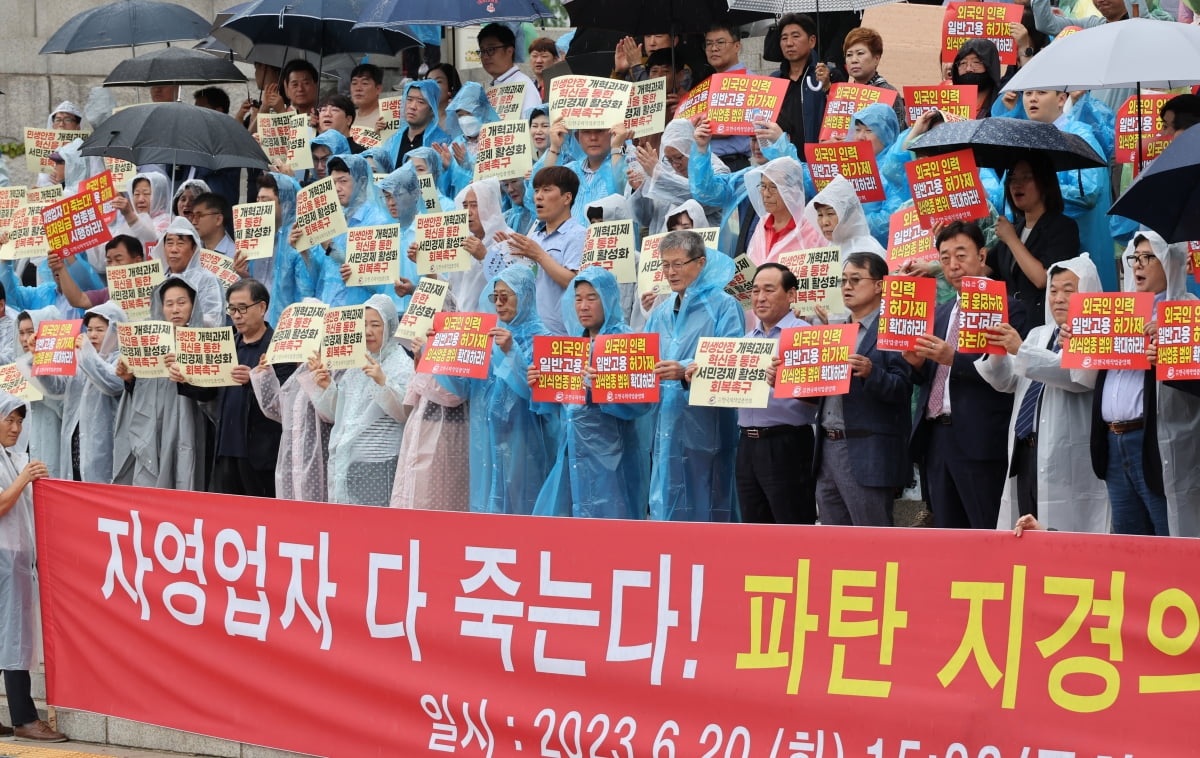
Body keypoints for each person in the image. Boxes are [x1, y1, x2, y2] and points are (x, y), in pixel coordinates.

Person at [906, 221, 1027, 529]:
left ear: (982, 257)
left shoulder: (1010, 309)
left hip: (979, 438)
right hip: (936, 437)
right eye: (945, 258)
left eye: (961, 255)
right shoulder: (941, 312)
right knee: (947, 534)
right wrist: (917, 364)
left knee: (986, 528)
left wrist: (954, 359)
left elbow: (1010, 379)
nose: (953, 266)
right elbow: (928, 377)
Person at [977, 254, 1108, 532]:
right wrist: (998, 351)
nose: (1058, 298)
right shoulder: (1037, 334)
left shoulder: (1095, 334)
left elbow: (1077, 377)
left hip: (1067, 453)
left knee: (1066, 532)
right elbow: (1005, 382)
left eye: (1068, 290)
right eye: (1053, 289)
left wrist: (1020, 349)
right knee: (1025, 523)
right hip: (1026, 449)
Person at [1085, 233, 1200, 536]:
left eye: (1148, 258)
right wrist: (1079, 342)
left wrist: (1171, 352)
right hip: (1113, 443)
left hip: (1158, 447)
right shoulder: (1117, 312)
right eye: (1134, 258)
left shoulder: (1189, 312)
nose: (1138, 265)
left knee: (1168, 540)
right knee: (1130, 548)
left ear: (1170, 262)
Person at [530, 267, 653, 519]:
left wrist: (602, 390)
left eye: (591, 298)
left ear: (607, 299)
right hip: (572, 452)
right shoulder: (571, 345)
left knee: (612, 526)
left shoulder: (626, 340)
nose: (583, 306)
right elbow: (559, 406)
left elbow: (642, 403)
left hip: (612, 454)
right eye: (578, 298)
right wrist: (540, 383)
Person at [436, 267, 553, 514]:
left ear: (525, 296)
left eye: (506, 296)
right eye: (495, 297)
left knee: (522, 507)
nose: (499, 304)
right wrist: (437, 353)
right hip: (486, 439)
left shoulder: (543, 339)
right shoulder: (486, 337)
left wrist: (512, 353)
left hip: (524, 439)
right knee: (487, 506)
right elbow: (464, 387)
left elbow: (539, 397)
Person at [646, 231, 743, 522]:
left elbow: (733, 360)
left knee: (707, 503)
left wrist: (684, 369)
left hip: (706, 425)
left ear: (700, 263)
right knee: (666, 502)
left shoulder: (724, 306)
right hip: (665, 422)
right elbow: (645, 358)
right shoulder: (661, 311)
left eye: (678, 264)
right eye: (665, 265)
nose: (670, 272)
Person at [813, 252, 913, 526]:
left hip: (867, 450)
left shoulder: (893, 328)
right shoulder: (834, 332)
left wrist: (872, 373)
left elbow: (903, 389)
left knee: (872, 544)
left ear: (880, 285)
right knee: (835, 545)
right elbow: (819, 393)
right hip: (826, 447)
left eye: (856, 279)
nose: (847, 286)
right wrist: (788, 380)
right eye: (843, 280)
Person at [173, 279, 293, 497]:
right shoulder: (226, 345)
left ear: (263, 307)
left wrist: (256, 380)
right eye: (232, 309)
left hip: (262, 454)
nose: (236, 315)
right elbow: (209, 392)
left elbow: (285, 401)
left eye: (243, 308)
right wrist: (186, 379)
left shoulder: (279, 348)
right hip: (225, 449)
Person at [724, 263, 818, 524]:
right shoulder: (745, 342)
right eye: (755, 291)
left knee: (792, 525)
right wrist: (699, 376)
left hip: (787, 443)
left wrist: (785, 381)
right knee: (754, 530)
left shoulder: (803, 335)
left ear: (791, 295)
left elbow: (820, 396)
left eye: (768, 289)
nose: (760, 297)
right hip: (747, 444)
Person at [0, 393, 67, 743]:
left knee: (7, 635)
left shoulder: (12, 458)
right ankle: (24, 718)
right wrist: (24, 478)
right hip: (5, 560)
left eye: (19, 421)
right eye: (9, 419)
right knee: (15, 638)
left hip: (17, 559)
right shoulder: (11, 464)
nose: (16, 427)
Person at [307, 295, 413, 505]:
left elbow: (405, 412)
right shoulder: (356, 362)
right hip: (346, 464)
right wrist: (327, 386)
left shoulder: (402, 364)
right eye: (363, 325)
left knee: (375, 528)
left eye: (375, 324)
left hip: (379, 464)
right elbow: (339, 413)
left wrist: (382, 381)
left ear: (390, 326)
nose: (367, 332)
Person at [112, 277, 211, 490]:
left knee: (184, 474)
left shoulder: (205, 342)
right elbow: (139, 389)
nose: (175, 309)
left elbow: (213, 394)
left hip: (187, 426)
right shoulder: (147, 343)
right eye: (169, 304)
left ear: (194, 306)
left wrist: (186, 372)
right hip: (150, 428)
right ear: (160, 307)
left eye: (182, 303)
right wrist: (129, 379)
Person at [1021, 89, 1117, 292]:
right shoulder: (1029, 140)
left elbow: (1087, 193)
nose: (1032, 99)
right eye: (1028, 93)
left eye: (1041, 92)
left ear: (1061, 99)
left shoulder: (1079, 137)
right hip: (1046, 249)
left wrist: (1041, 188)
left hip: (1084, 245)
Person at [986, 154, 1080, 329]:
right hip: (1011, 323)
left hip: (1041, 326)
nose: (1017, 184)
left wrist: (1012, 239)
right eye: (1012, 179)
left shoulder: (1062, 227)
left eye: (1026, 177)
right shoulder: (1016, 228)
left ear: (1044, 183)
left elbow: (1043, 278)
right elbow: (981, 269)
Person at [493, 166, 586, 336]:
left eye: (546, 190)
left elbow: (575, 283)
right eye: (536, 191)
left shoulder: (578, 235)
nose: (538, 197)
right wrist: (508, 257)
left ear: (567, 197)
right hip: (533, 332)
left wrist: (539, 255)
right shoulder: (535, 237)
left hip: (563, 335)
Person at [629, 118, 727, 235]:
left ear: (691, 148)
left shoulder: (717, 169)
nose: (675, 164)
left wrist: (659, 177)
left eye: (679, 157)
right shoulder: (664, 170)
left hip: (703, 247)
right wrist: (640, 189)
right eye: (669, 159)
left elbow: (708, 200)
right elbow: (645, 219)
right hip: (665, 247)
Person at [251, 173, 317, 326]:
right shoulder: (254, 236)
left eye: (266, 200)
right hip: (255, 327)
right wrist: (243, 273)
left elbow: (306, 290)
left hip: (286, 327)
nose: (259, 205)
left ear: (285, 203)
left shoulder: (298, 237)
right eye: (258, 199)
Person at [74, 301, 128, 484]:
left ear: (114, 330)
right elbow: (58, 388)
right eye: (89, 330)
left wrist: (88, 354)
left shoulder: (122, 358)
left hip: (112, 447)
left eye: (99, 329)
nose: (92, 335)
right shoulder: (88, 358)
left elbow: (112, 383)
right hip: (89, 450)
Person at [541, 117, 631, 226]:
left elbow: (623, 190)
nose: (593, 137)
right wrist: (555, 146)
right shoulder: (569, 171)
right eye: (586, 132)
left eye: (600, 131)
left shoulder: (629, 163)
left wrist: (617, 147)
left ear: (612, 133)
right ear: (577, 137)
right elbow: (546, 193)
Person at [744, 157, 826, 266]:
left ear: (794, 190)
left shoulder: (812, 228)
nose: (766, 194)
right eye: (763, 186)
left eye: (774, 187)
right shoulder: (762, 224)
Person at [12, 308, 64, 478]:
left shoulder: (63, 366)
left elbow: (65, 406)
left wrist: (39, 388)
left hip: (55, 440)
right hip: (26, 443)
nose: (25, 339)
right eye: (21, 333)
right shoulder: (17, 367)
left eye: (31, 332)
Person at [153, 216, 226, 327]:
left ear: (193, 248)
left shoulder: (206, 279)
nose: (173, 249)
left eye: (180, 244)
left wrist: (184, 324)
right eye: (169, 243)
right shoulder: (156, 278)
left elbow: (213, 320)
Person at [702, 23, 754, 171]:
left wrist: (692, 127)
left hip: (732, 164)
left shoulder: (747, 81)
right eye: (709, 44)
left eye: (720, 42)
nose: (714, 48)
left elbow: (724, 127)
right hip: (707, 162)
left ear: (737, 46)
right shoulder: (709, 83)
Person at [771, 13, 827, 147]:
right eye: (784, 38)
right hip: (783, 160)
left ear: (812, 41)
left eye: (796, 36)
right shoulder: (774, 80)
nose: (789, 43)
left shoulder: (826, 76)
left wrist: (828, 86)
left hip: (816, 159)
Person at [802, 175, 887, 260]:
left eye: (830, 213)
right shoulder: (826, 249)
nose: (824, 222)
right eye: (820, 215)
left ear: (848, 215)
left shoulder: (869, 251)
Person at [839, 28, 906, 128]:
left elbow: (898, 136)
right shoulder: (842, 95)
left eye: (860, 53)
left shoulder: (889, 94)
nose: (854, 60)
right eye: (849, 55)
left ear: (876, 59)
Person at [381, 79, 450, 171]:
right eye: (409, 100)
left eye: (420, 102)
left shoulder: (443, 143)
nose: (412, 106)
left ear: (432, 109)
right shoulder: (393, 141)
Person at [477, 24, 541, 115]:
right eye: (482, 51)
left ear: (509, 51)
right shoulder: (492, 89)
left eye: (491, 50)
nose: (485, 56)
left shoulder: (524, 86)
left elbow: (532, 125)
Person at [112, 172, 172, 248]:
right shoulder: (128, 222)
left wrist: (129, 215)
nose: (140, 199)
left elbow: (152, 243)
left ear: (160, 197)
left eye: (146, 194)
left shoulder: (167, 222)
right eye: (136, 194)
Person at [950, 40, 1002, 119]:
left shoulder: (1003, 102)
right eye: (963, 63)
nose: (968, 69)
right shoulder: (947, 101)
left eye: (976, 62)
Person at [191, 192, 236, 256]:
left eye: (199, 215)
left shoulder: (236, 256)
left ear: (218, 219)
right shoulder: (193, 252)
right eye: (193, 216)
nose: (194, 222)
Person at [424, 63, 463, 133]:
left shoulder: (461, 115)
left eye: (438, 82)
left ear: (451, 86)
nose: (432, 86)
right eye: (428, 82)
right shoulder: (423, 117)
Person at [349, 63, 384, 130]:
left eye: (364, 83)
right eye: (354, 83)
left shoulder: (385, 117)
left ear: (378, 89)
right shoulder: (348, 118)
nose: (358, 88)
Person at [527, 36, 559, 101]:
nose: (538, 60)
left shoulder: (560, 87)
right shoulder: (528, 87)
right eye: (534, 56)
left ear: (555, 59)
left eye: (544, 56)